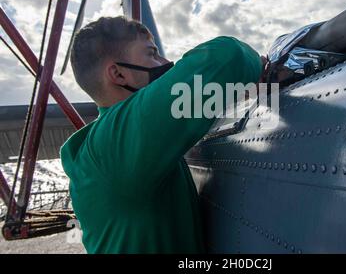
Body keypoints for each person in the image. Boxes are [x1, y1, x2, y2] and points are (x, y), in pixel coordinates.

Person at [60, 16, 266, 254]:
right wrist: (259, 67)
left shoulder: (109, 146)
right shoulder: (115, 145)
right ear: (118, 75)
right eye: (152, 54)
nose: (165, 62)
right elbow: (229, 56)